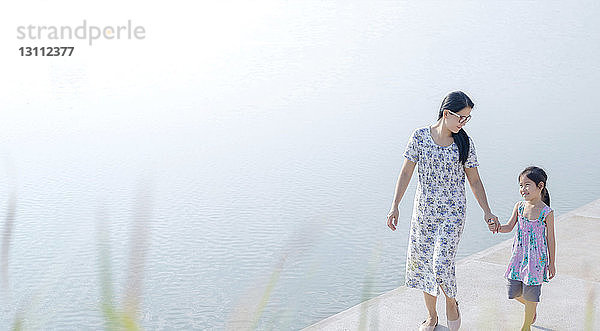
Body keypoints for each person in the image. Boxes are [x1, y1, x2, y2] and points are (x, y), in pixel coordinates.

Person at [386, 90, 500, 331]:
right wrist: (395, 205)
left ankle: (451, 301)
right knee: (424, 264)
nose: (464, 123)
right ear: (446, 113)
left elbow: (475, 181)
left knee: (440, 264)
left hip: (452, 213)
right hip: (424, 214)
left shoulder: (464, 142)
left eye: (467, 118)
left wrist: (487, 211)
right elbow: (406, 172)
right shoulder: (419, 137)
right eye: (461, 117)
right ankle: (431, 316)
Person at [491, 166, 556, 331]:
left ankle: (526, 325)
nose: (523, 189)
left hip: (536, 260)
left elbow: (551, 239)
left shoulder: (546, 212)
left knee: (531, 292)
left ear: (540, 186)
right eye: (521, 185)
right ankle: (531, 308)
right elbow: (508, 227)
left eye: (527, 184)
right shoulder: (519, 207)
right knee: (513, 291)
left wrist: (552, 263)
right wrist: (497, 227)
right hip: (518, 257)